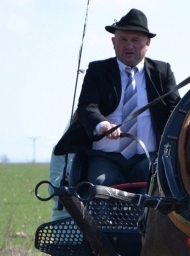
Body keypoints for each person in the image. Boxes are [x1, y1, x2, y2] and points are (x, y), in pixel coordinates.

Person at [53, 9, 180, 187]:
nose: (129, 45)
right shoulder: (97, 71)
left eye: (135, 40)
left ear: (148, 43)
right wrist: (103, 125)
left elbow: (176, 111)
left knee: (153, 193)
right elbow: (87, 106)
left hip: (148, 158)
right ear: (114, 42)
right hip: (105, 158)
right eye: (123, 39)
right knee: (99, 187)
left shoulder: (162, 72)